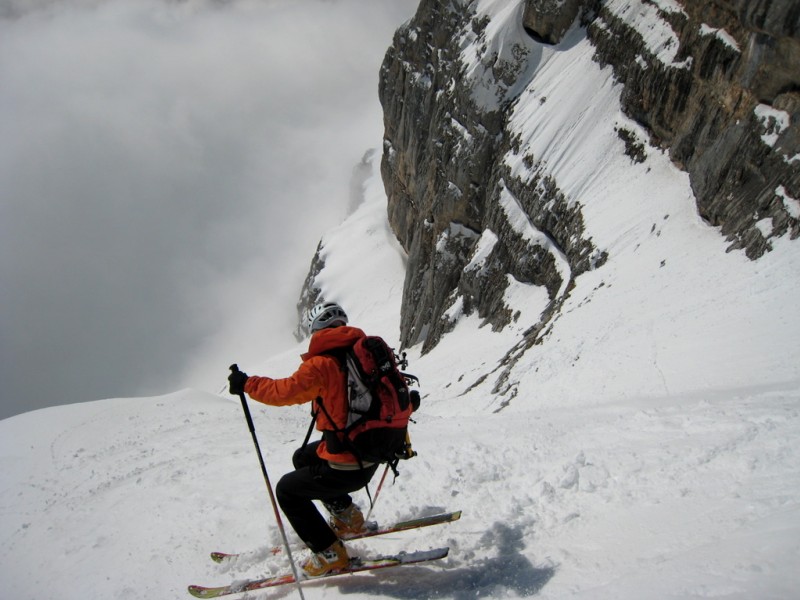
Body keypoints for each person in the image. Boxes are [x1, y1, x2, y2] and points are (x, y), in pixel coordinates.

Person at [227, 302, 379, 577]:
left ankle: (329, 554)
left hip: (348, 465)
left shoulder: (322, 364)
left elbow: (283, 392)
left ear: (316, 330)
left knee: (287, 491)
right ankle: (348, 517)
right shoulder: (367, 356)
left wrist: (247, 384)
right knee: (303, 457)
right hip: (373, 453)